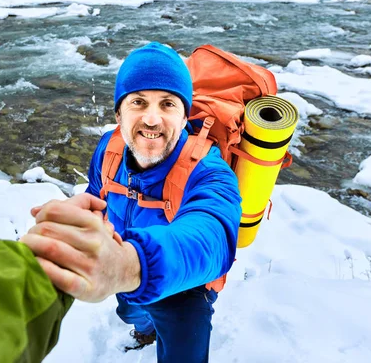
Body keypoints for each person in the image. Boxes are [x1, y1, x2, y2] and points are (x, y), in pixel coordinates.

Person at [24, 42, 242, 362]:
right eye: (138, 102)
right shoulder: (110, 148)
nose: (152, 120)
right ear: (119, 113)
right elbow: (99, 190)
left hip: (183, 288)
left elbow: (213, 235)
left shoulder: (209, 171)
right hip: (121, 262)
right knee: (131, 312)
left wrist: (129, 264)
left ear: (184, 117)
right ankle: (145, 328)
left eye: (167, 104)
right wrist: (83, 208)